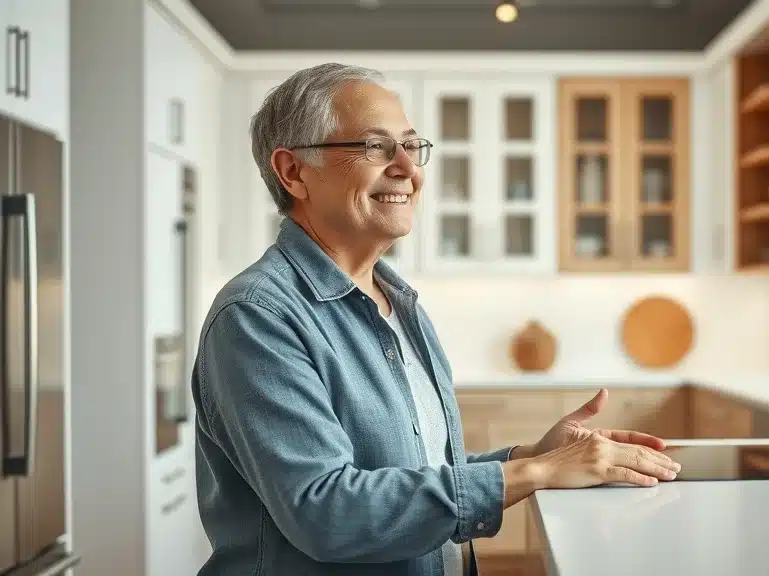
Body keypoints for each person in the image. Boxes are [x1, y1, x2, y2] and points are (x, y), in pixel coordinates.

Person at [191, 63, 681, 576]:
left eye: (411, 145)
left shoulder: (397, 302)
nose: (408, 167)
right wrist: (535, 472)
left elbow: (413, 476)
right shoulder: (258, 317)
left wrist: (533, 454)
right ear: (294, 172)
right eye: (376, 147)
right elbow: (328, 512)